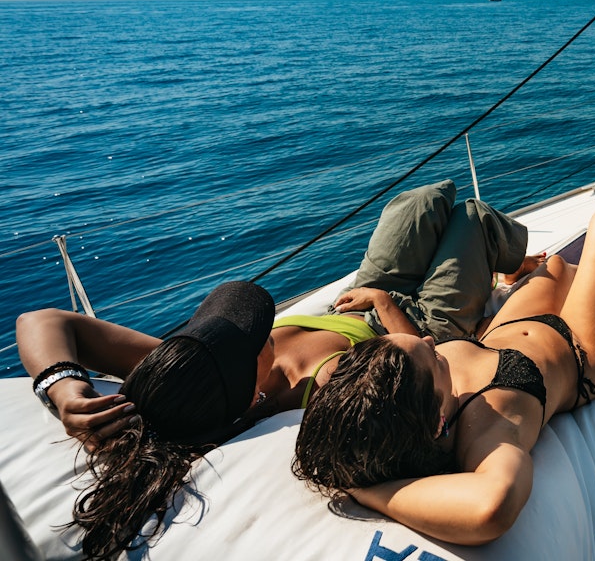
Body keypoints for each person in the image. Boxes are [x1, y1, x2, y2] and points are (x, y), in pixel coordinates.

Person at [15, 179, 530, 560]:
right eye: (246, 336)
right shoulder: (319, 393)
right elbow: (409, 359)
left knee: (421, 202)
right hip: (417, 332)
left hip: (355, 304)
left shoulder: (191, 364)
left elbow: (45, 320)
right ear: (249, 398)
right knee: (471, 218)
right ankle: (515, 263)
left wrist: (63, 389)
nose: (249, 331)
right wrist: (385, 304)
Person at [293, 205, 595, 545]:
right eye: (433, 357)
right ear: (435, 423)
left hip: (509, 331)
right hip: (580, 349)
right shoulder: (487, 436)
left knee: (557, 264)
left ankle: (534, 275)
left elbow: (409, 358)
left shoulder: (405, 395)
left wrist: (385, 304)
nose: (430, 340)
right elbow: (492, 506)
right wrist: (368, 492)